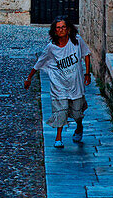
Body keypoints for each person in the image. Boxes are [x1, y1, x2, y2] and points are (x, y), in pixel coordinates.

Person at [24, 17, 92, 148]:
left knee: (77, 113)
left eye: (63, 27)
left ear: (68, 29)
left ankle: (79, 127)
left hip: (75, 84)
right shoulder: (51, 47)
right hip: (59, 85)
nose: (61, 30)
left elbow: (86, 54)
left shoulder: (77, 41)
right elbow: (40, 62)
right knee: (60, 111)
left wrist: (87, 73)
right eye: (58, 28)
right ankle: (58, 137)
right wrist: (29, 78)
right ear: (54, 31)